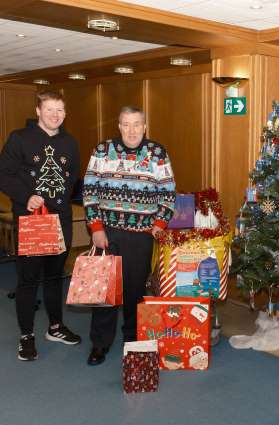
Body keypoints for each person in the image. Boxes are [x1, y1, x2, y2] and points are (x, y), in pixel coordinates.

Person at [83, 106, 176, 366]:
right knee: (105, 292)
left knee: (135, 291)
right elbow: (89, 191)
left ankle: (133, 343)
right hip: (107, 233)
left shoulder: (157, 153)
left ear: (144, 126)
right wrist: (96, 228)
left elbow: (168, 194)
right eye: (126, 124)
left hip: (141, 236)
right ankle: (100, 344)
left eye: (137, 124)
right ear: (119, 126)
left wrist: (159, 224)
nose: (132, 130)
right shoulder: (102, 151)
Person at [0, 90, 82, 361]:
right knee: (29, 279)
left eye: (60, 110)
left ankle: (55, 327)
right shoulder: (19, 139)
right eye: (49, 109)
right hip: (31, 220)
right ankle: (26, 335)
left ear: (65, 113)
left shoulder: (71, 142)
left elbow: (73, 180)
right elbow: (2, 175)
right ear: (38, 111)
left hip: (60, 220)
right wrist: (26, 196)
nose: (55, 115)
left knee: (55, 276)